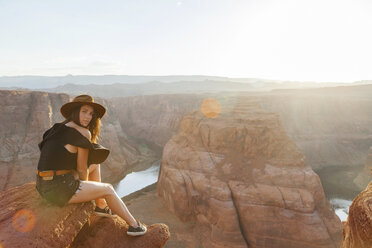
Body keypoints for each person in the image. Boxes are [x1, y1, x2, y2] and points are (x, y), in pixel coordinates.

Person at [35, 94, 147, 236]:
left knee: (95, 163)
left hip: (42, 185)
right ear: (75, 111)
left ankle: (100, 206)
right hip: (58, 188)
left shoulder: (58, 127)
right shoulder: (83, 132)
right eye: (84, 111)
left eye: (91, 114)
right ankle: (134, 226)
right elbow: (82, 169)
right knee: (108, 189)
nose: (87, 117)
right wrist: (86, 191)